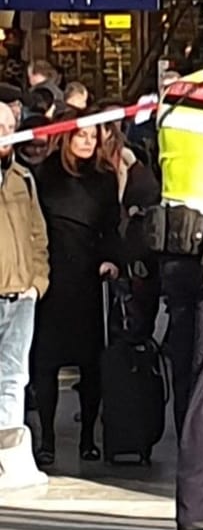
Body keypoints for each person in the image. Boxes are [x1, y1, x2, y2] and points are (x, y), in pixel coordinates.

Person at [149, 66, 203, 530]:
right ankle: (202, 506)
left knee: (188, 377)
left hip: (177, 248)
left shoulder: (174, 102)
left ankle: (200, 500)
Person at [28, 112, 120, 467]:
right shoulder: (45, 175)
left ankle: (87, 439)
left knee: (90, 363)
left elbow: (112, 225)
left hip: (87, 277)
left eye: (93, 136)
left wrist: (111, 259)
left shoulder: (103, 178)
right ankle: (47, 438)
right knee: (45, 363)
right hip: (51, 277)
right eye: (80, 135)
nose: (87, 142)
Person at [0, 101, 49, 494]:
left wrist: (37, 281)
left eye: (8, 125)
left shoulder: (23, 179)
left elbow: (37, 235)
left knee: (14, 378)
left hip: (21, 297)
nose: (4, 132)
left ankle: (9, 458)